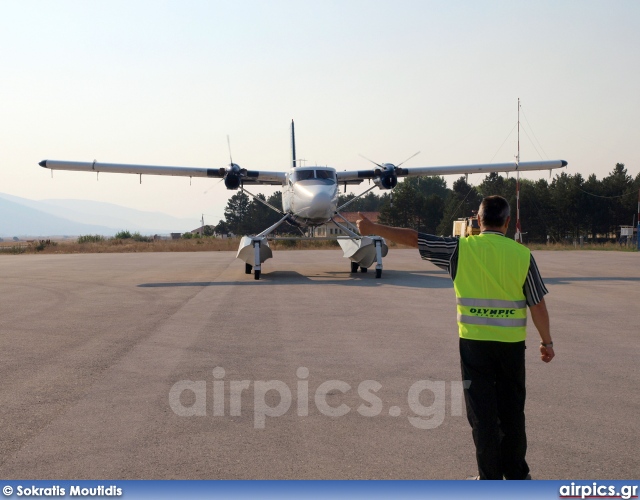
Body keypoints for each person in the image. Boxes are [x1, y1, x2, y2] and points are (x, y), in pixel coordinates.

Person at [356, 195, 554, 480]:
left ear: (478, 221)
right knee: (512, 413)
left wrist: (375, 228)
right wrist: (546, 342)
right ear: (507, 223)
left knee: (482, 416)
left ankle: (489, 479)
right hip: (511, 348)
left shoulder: (459, 249)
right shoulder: (522, 255)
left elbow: (414, 238)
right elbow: (538, 304)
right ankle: (517, 476)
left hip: (474, 347)